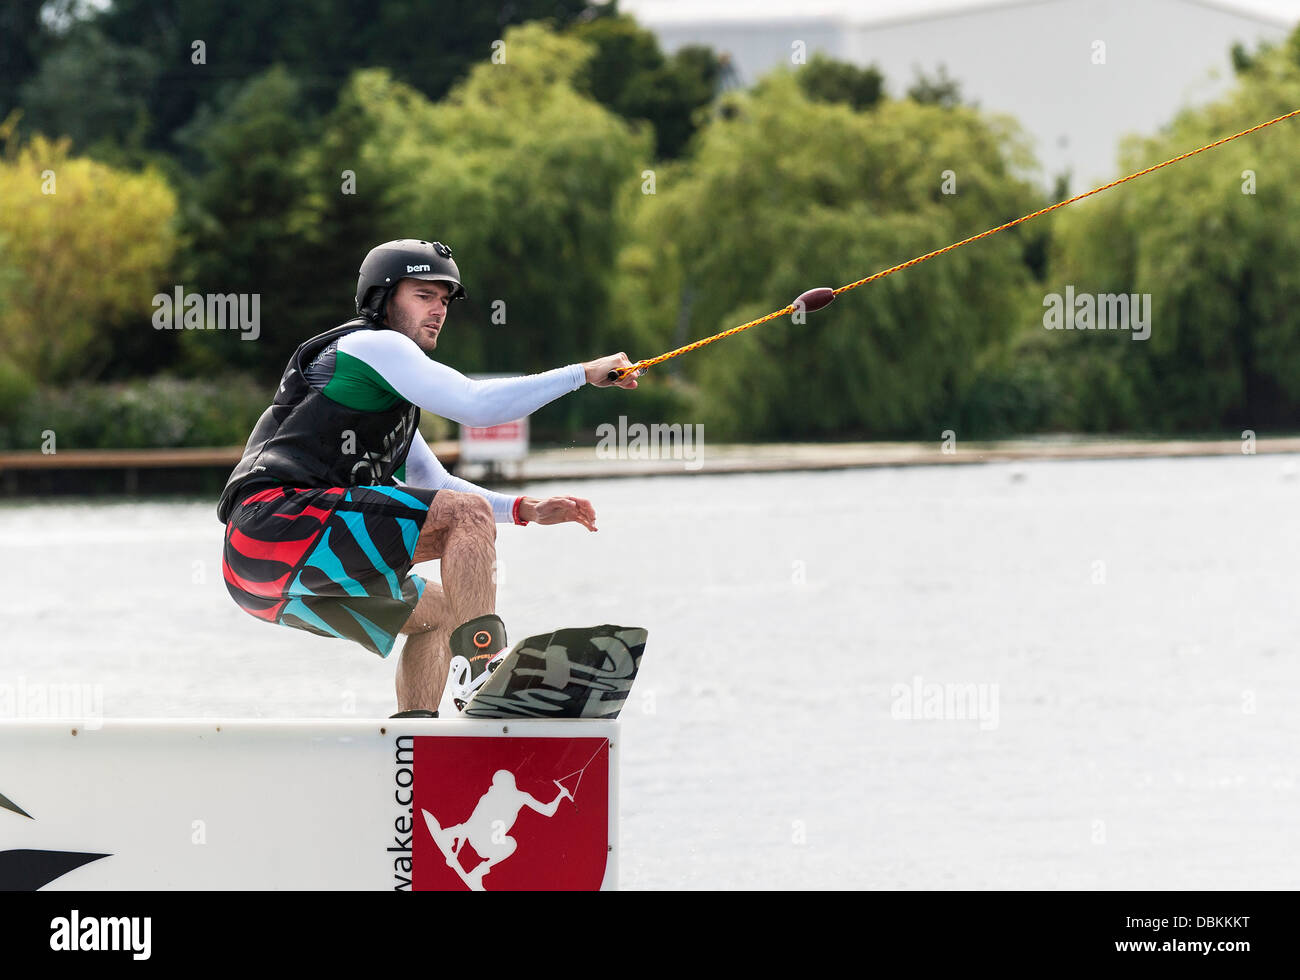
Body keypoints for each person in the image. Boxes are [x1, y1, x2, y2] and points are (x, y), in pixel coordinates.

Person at [217, 239, 639, 717]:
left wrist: (525, 510)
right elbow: (476, 406)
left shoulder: (386, 394)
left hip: (254, 572)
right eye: (423, 296)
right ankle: (482, 666)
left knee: (439, 615)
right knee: (466, 517)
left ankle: (414, 739)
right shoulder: (372, 344)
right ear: (382, 299)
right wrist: (584, 372)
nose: (438, 310)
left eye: (445, 300)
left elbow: (433, 481)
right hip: (275, 524)